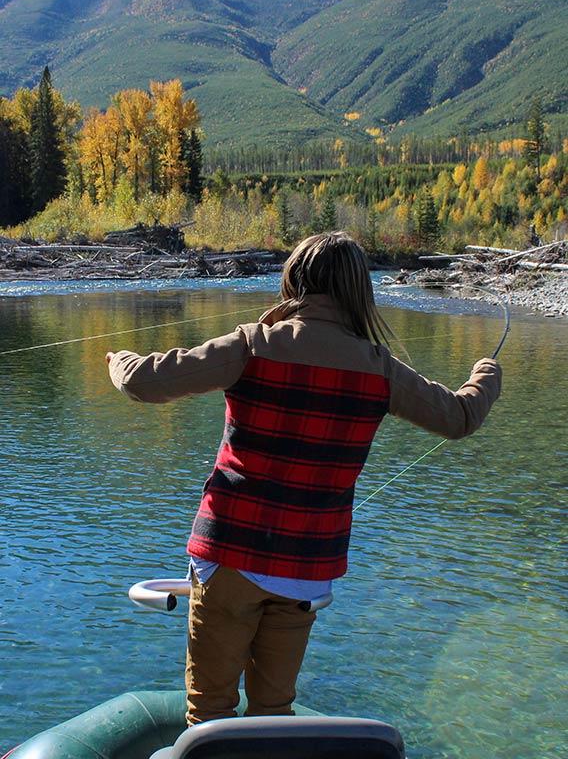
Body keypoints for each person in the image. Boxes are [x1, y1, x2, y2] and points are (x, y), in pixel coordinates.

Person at [106, 231, 502, 726]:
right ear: (359, 290)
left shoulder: (254, 344)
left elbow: (144, 382)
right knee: (275, 711)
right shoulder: (380, 368)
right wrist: (485, 373)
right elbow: (460, 417)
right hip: (305, 568)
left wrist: (118, 361)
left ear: (294, 280)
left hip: (229, 551)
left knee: (209, 709)